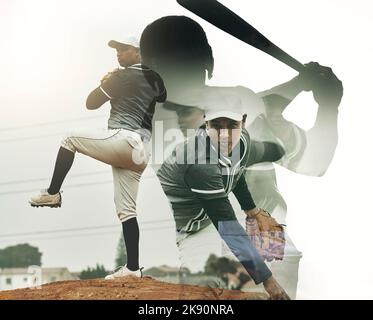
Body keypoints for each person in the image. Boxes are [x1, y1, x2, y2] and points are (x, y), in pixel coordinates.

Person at [139, 15, 343, 298]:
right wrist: (326, 103)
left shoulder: (145, 118)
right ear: (208, 61)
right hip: (267, 245)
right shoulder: (242, 108)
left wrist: (300, 85)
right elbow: (314, 162)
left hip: (206, 250)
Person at [29, 36, 166, 279]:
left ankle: (52, 193)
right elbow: (162, 96)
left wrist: (108, 82)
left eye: (124, 49)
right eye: (117, 49)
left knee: (69, 138)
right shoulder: (154, 77)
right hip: (141, 152)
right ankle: (133, 269)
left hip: (124, 139)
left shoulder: (121, 76)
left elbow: (91, 103)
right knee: (127, 211)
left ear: (138, 52)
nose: (118, 53)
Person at [157, 102, 290, 300]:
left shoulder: (242, 142)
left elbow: (237, 170)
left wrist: (252, 211)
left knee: (254, 267)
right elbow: (227, 226)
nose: (225, 134)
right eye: (217, 125)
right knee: (200, 292)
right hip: (188, 225)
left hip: (213, 216)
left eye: (232, 125)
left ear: (243, 123)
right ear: (206, 123)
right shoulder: (198, 161)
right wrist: (270, 283)